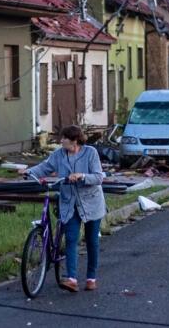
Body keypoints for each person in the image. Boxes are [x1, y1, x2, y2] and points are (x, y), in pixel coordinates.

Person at [20, 125, 106, 292]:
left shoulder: (90, 153)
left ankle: (91, 278)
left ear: (74, 140)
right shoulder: (59, 155)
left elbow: (98, 177)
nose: (61, 141)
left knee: (91, 241)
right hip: (69, 203)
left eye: (64, 139)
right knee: (71, 239)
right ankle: (72, 279)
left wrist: (82, 176)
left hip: (91, 203)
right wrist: (29, 172)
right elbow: (45, 167)